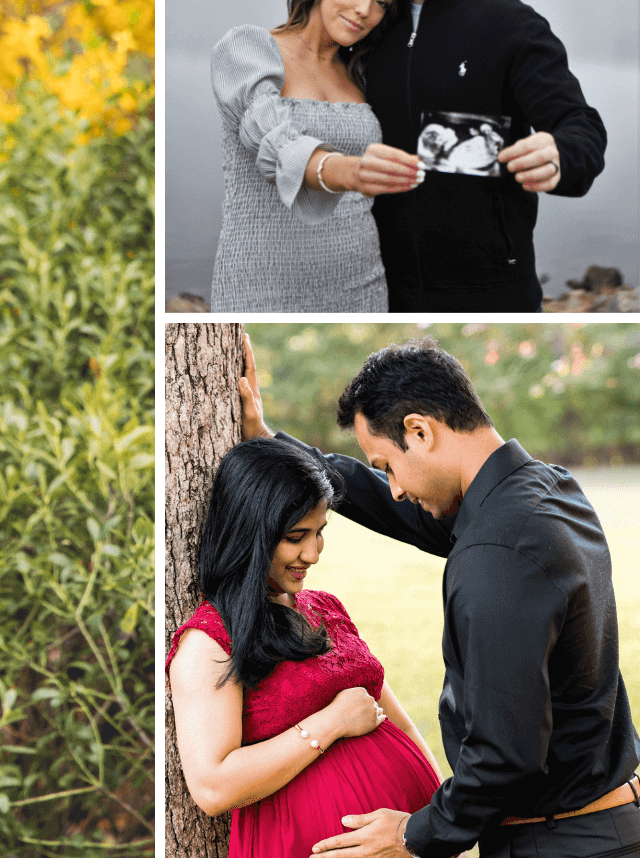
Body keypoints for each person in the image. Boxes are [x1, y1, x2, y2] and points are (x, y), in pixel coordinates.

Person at [238, 337, 640, 857]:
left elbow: (505, 754)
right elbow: (398, 509)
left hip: (560, 842)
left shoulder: (496, 552)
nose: (396, 488)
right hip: (606, 825)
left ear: (420, 431)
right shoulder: (547, 493)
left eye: (387, 465)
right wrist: (277, 448)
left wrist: (415, 835)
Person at [168, 438, 441, 856]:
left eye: (320, 532)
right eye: (296, 536)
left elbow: (399, 724)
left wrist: (435, 820)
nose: (312, 554)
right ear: (251, 532)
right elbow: (212, 786)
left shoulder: (326, 608)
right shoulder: (210, 642)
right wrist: (331, 722)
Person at [360, 0, 607, 312]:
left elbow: (581, 127)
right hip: (378, 291)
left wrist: (561, 153)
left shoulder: (511, 25)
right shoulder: (364, 26)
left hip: (494, 293)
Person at [209, 0, 423, 312]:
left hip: (361, 281)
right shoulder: (249, 49)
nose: (364, 10)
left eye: (381, 2)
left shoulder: (363, 75)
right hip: (263, 283)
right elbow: (274, 142)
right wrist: (348, 172)